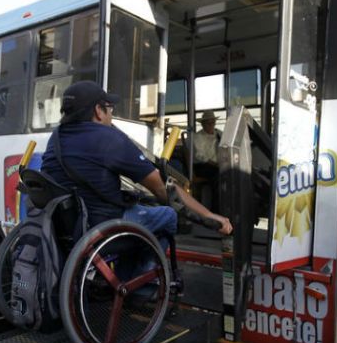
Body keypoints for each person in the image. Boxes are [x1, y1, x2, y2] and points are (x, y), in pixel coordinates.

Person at [40, 81, 233, 248]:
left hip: (65, 227)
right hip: (102, 228)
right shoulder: (109, 139)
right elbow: (162, 191)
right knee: (167, 215)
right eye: (109, 108)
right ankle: (139, 279)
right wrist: (209, 216)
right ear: (98, 111)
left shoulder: (55, 139)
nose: (111, 114)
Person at [192, 110, 223, 210]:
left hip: (219, 165)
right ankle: (215, 208)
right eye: (208, 123)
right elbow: (199, 156)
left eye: (212, 123)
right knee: (218, 177)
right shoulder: (197, 137)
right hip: (202, 166)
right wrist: (215, 164)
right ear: (202, 124)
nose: (211, 125)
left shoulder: (219, 134)